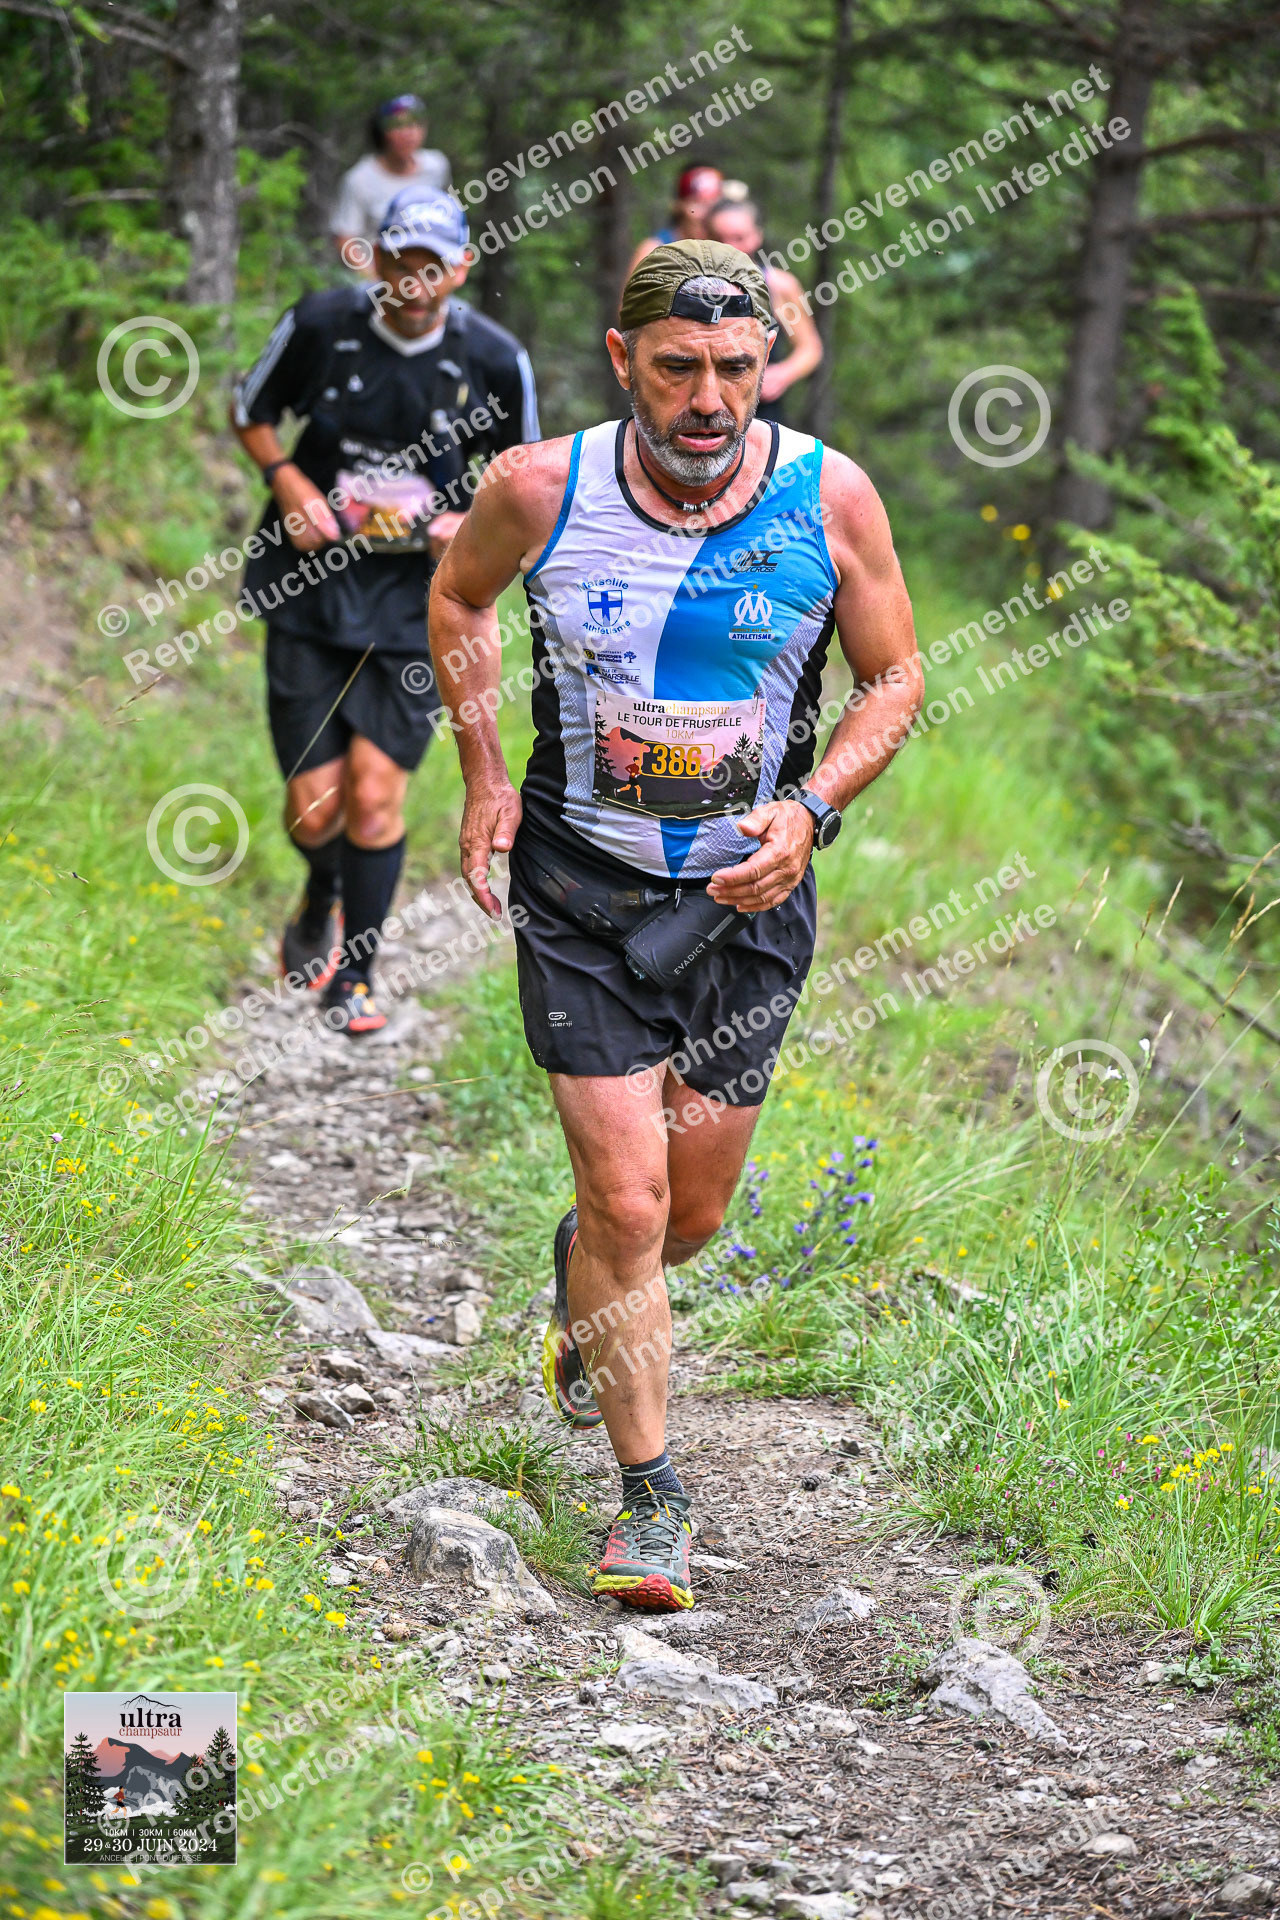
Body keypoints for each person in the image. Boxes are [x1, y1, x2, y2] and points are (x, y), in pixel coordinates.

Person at [429, 239, 922, 1609]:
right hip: (580, 888)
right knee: (629, 1199)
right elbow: (458, 594)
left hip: (745, 900)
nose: (708, 400)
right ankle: (650, 1501)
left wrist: (810, 809)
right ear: (621, 360)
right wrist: (481, 774)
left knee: (686, 1214)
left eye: (736, 369)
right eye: (677, 368)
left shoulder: (831, 496)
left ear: (769, 363)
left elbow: (894, 678)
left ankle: (581, 1274)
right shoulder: (541, 488)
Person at [232, 190, 540, 1035]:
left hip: (419, 603)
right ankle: (320, 893)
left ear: (461, 268)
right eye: (401, 261)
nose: (415, 281)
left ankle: (358, 975)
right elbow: (249, 410)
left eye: (433, 266)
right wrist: (289, 483)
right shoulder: (322, 324)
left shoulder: (493, 357)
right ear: (376, 258)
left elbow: (525, 475)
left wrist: (466, 521)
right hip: (308, 585)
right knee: (315, 807)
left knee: (372, 797)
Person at [706, 196, 822, 424]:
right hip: (703, 412)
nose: (729, 248)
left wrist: (783, 374)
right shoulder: (689, 286)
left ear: (757, 236)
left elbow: (810, 348)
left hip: (761, 415)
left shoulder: (779, 285)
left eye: (739, 238)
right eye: (719, 239)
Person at [330, 94, 451, 269]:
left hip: (427, 272)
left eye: (416, 124)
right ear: (382, 132)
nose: (409, 133)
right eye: (398, 126)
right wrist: (373, 277)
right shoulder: (359, 179)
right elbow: (345, 239)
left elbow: (448, 217)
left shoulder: (437, 167)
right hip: (380, 273)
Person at [624, 164, 723, 279]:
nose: (706, 214)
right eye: (697, 204)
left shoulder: (730, 245)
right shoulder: (654, 252)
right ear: (678, 205)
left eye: (714, 205)